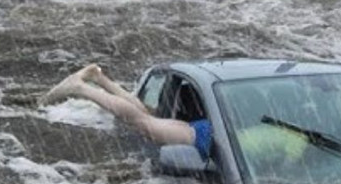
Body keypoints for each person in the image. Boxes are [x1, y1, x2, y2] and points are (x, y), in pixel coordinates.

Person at [39, 64, 213, 161]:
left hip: (210, 129)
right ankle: (81, 88)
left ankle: (98, 78)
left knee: (146, 117)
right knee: (145, 123)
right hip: (208, 134)